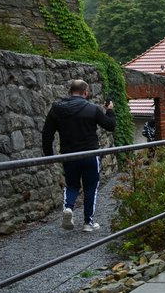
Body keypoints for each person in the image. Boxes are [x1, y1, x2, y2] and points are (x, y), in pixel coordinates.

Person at [42, 79, 116, 231]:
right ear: (86, 93)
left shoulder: (57, 109)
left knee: (72, 185)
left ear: (70, 92)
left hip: (68, 155)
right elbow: (110, 126)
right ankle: (88, 223)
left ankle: (68, 208)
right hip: (90, 154)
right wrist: (109, 110)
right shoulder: (92, 109)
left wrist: (49, 155)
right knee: (90, 187)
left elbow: (47, 134)